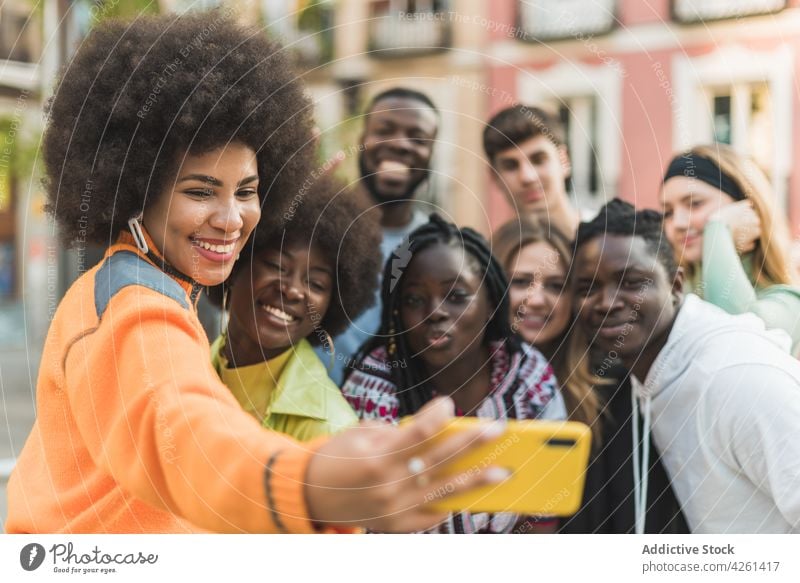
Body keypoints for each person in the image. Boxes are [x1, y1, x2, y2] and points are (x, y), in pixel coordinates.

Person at [5, 12, 508, 534]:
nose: (231, 219)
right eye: (200, 191)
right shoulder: (136, 305)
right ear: (136, 188)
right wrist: (311, 485)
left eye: (247, 192)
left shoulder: (140, 287)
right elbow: (185, 435)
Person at [572, 198, 800, 533]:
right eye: (587, 288)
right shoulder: (651, 373)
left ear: (676, 285)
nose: (607, 302)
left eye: (632, 282)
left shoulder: (737, 375)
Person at [342, 214, 567, 533]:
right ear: (397, 311)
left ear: (491, 304)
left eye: (457, 296)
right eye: (415, 299)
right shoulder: (372, 387)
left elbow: (546, 506)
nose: (436, 311)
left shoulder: (528, 372)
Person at [493, 218, 687, 533]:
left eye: (556, 285)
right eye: (521, 281)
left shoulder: (611, 386)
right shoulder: (469, 383)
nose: (537, 299)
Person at [208, 176, 382, 441]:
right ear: (235, 263)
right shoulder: (190, 362)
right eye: (277, 266)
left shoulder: (329, 430)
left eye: (316, 283)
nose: (292, 290)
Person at [321, 87, 438, 384]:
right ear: (362, 141)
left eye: (417, 137)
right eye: (384, 130)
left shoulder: (437, 247)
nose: (400, 144)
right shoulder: (317, 223)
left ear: (431, 155)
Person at [661, 144, 800, 355]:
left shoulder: (789, 302)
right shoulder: (669, 295)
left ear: (747, 208)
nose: (678, 222)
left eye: (695, 204)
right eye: (668, 212)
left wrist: (717, 228)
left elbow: (736, 336)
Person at [483, 104, 578, 236]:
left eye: (539, 160)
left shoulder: (609, 242)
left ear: (564, 161)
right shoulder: (490, 255)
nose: (527, 177)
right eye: (511, 166)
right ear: (495, 177)